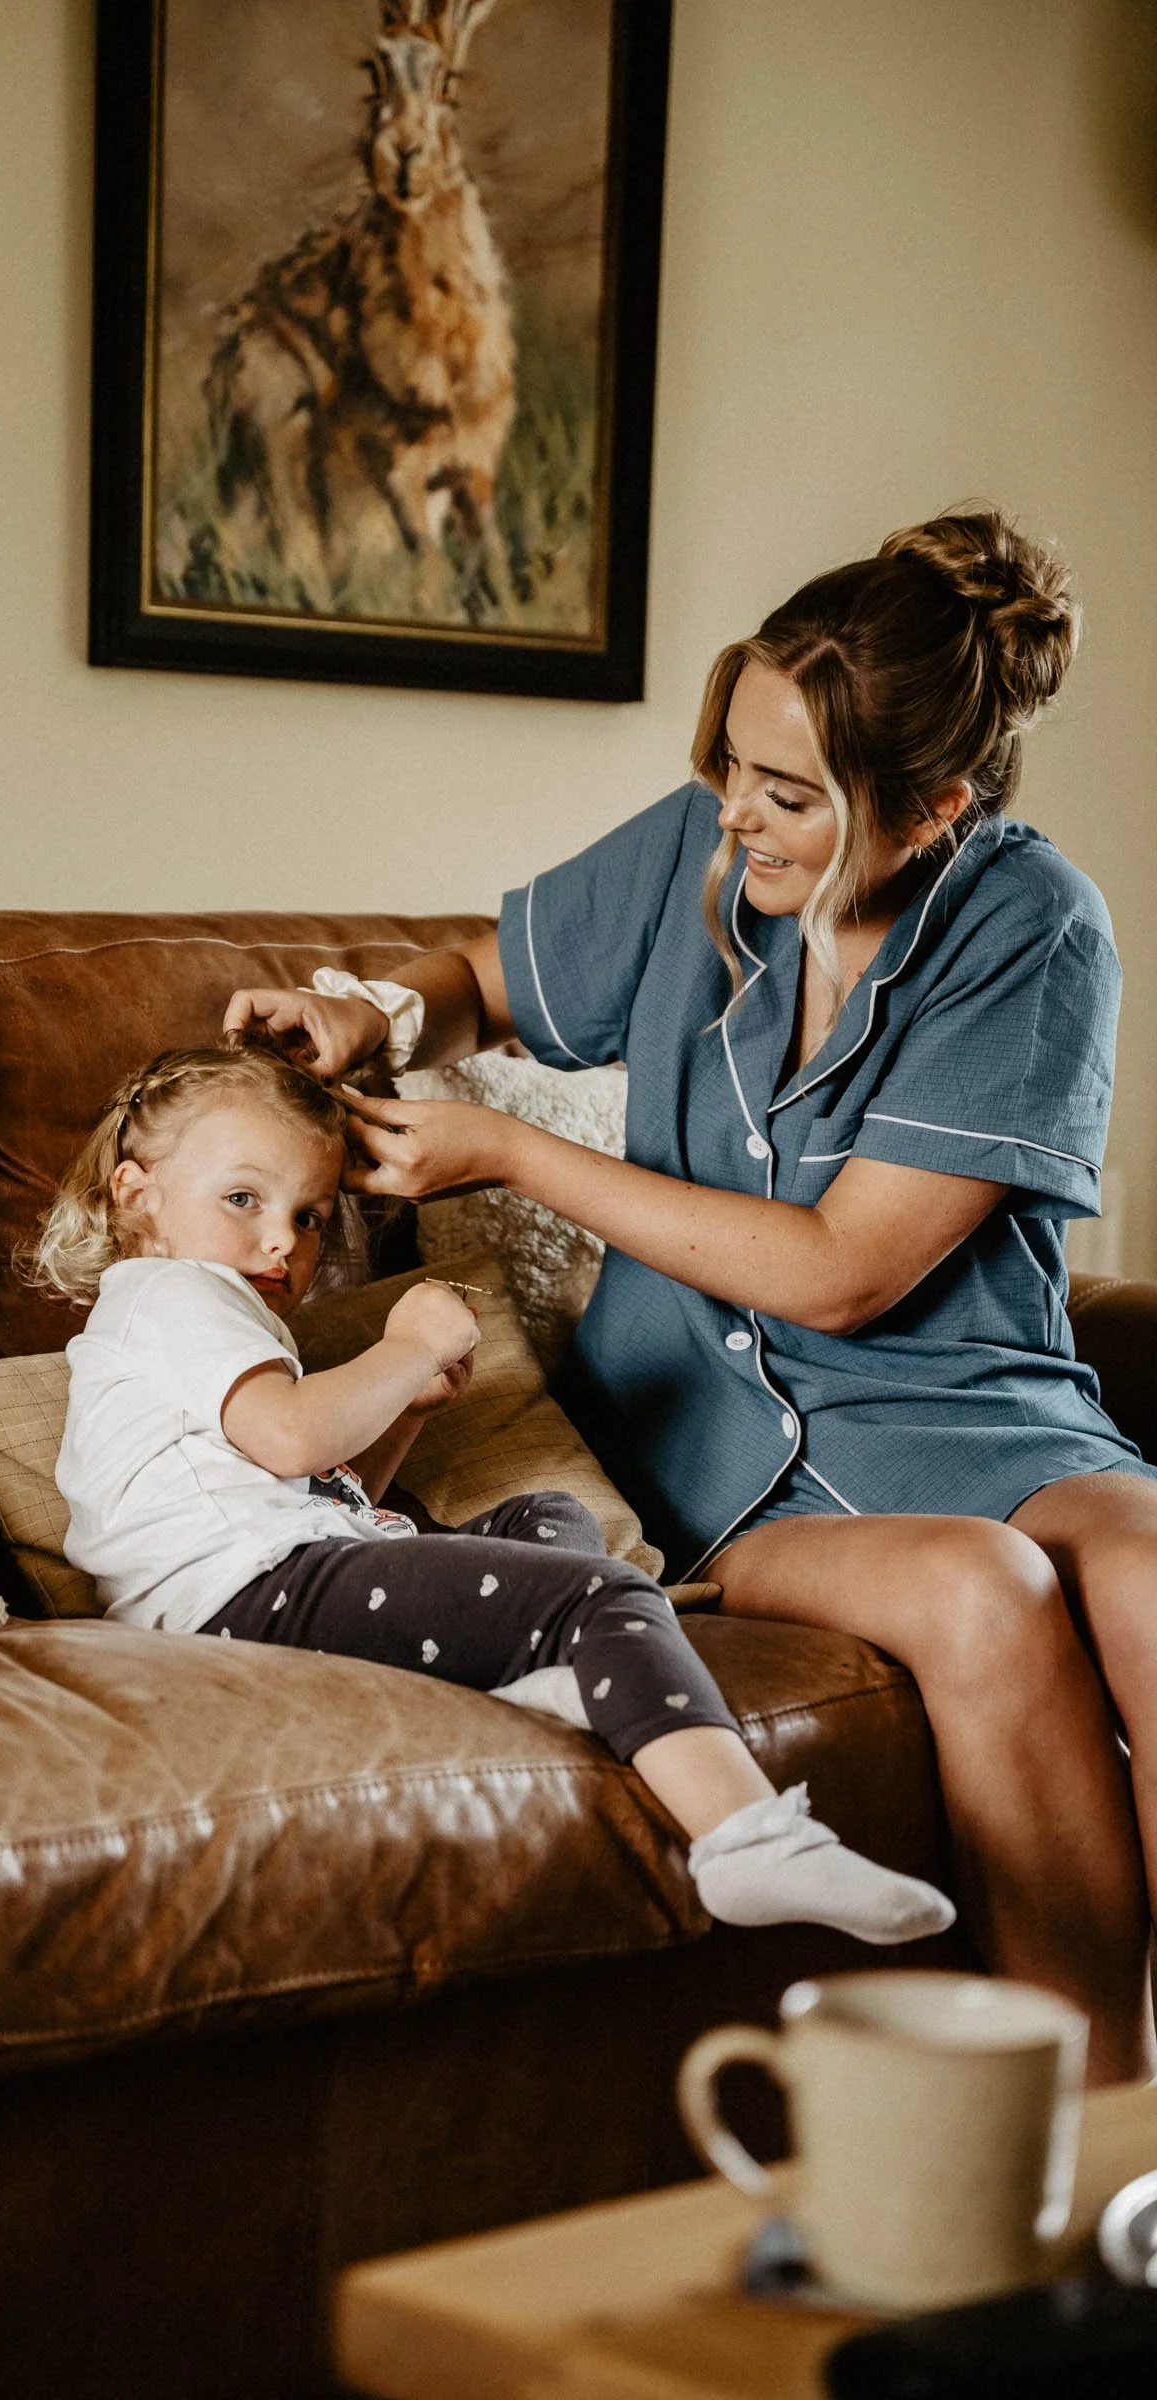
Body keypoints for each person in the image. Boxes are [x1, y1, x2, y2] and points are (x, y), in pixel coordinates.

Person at [223, 508, 1157, 2084]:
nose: (737, 815)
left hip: (974, 1406)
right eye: (732, 763)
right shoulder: (700, 850)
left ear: (928, 808)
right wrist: (366, 1005)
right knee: (986, 1593)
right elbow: (484, 978)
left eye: (790, 793)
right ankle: (1095, 2109)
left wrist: (510, 1153)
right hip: (728, 1449)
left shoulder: (1033, 926)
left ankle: (1132, 2163)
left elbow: (848, 1276)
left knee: (1147, 1571)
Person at [30, 1042, 954, 1946]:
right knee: (603, 1588)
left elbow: (318, 1488)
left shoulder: (195, 1318)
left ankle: (549, 1678)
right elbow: (294, 1437)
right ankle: (749, 1839)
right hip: (234, 1604)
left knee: (549, 1521)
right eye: (244, 1198)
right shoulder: (174, 1294)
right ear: (135, 1193)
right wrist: (405, 1350)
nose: (282, 1237)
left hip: (271, 1575)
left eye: (311, 1216)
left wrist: (408, 1412)